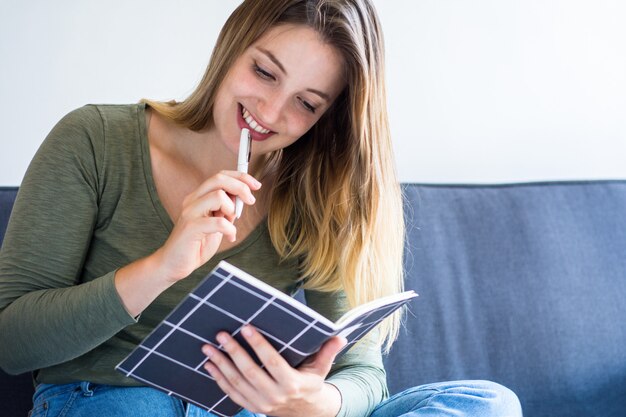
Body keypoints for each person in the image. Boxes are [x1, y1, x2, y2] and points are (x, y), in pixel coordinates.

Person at [0, 0, 522, 416]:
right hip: (112, 398)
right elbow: (11, 343)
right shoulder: (95, 140)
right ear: (233, 46)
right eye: (265, 72)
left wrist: (317, 403)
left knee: (489, 405)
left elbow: (364, 373)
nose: (271, 112)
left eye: (307, 103)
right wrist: (162, 267)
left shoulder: (318, 191)